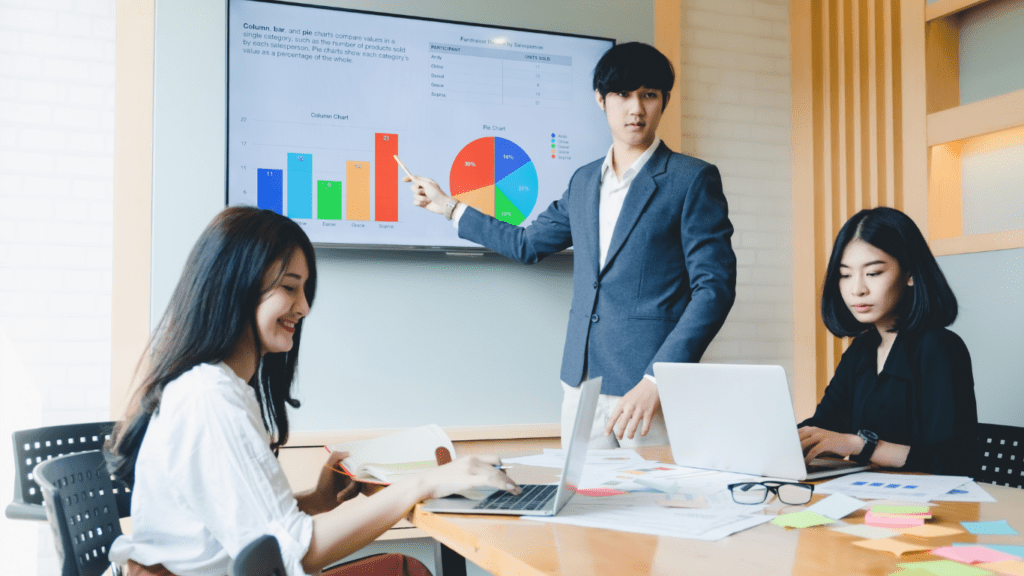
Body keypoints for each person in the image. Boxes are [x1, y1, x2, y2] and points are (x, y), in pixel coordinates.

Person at [105, 206, 519, 576]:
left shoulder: (211, 388)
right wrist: (423, 483)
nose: (303, 307)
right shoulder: (211, 398)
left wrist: (318, 500)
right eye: (289, 287)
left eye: (304, 290)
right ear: (237, 286)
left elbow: (250, 533)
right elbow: (294, 552)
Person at [405, 42, 736, 449]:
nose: (636, 109)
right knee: (583, 504)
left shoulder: (691, 179)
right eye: (623, 94)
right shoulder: (583, 181)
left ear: (664, 101)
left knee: (652, 505)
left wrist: (658, 378)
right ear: (601, 99)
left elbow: (714, 289)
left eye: (649, 95)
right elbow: (528, 244)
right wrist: (448, 207)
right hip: (581, 382)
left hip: (648, 390)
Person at [799, 206, 978, 476]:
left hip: (931, 506)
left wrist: (861, 445)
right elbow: (823, 426)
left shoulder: (939, 347)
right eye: (845, 275)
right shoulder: (861, 350)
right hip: (868, 499)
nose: (857, 289)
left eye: (873, 273)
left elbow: (953, 460)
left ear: (910, 274)